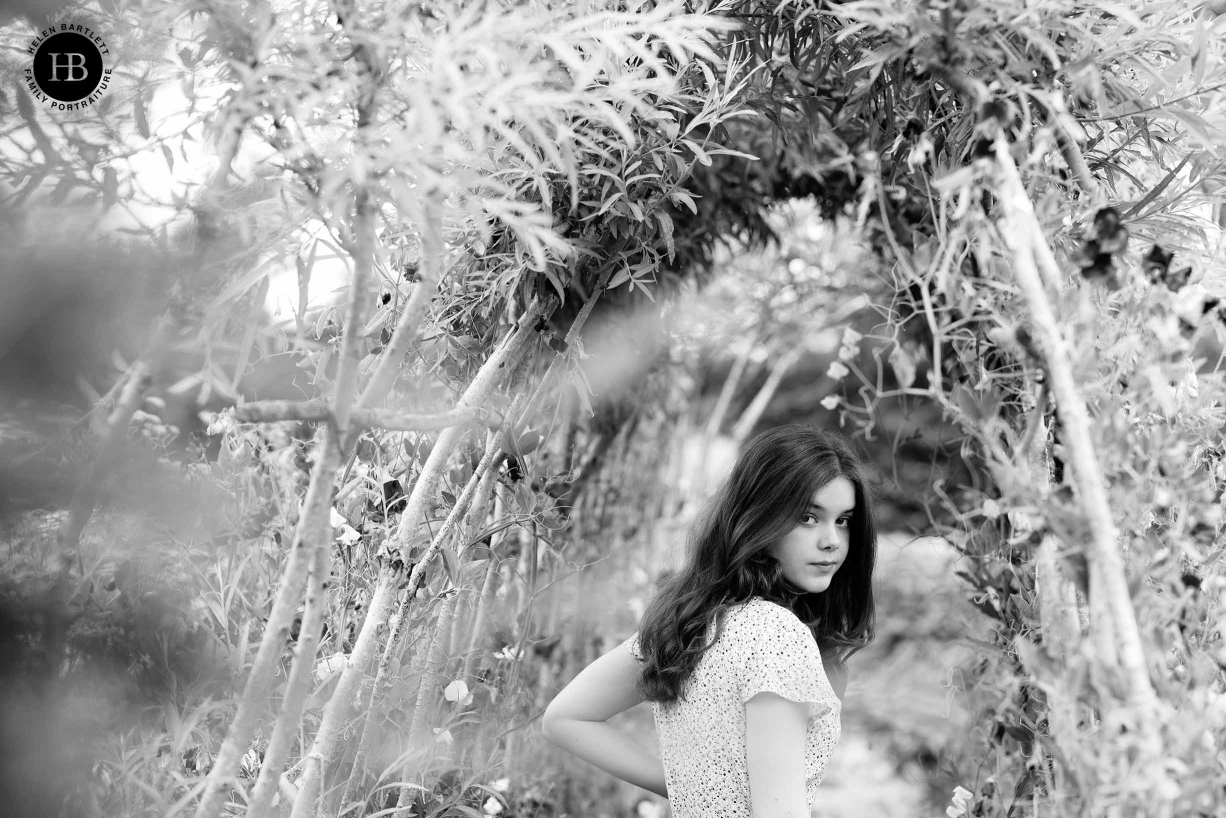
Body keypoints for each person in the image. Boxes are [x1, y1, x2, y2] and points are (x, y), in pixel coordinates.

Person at [541, 425, 877, 818]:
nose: (832, 541)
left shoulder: (691, 621)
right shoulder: (777, 634)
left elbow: (564, 717)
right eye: (807, 517)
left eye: (843, 521)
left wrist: (698, 789)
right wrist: (698, 787)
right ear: (760, 517)